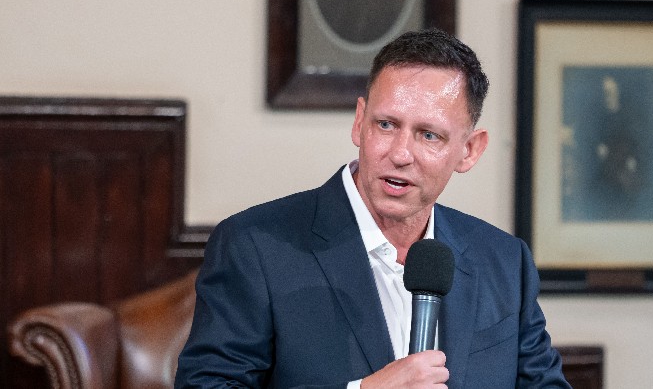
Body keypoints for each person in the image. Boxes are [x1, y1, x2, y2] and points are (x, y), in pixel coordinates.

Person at [175, 28, 569, 388]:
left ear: (469, 151)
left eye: (428, 135)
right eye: (386, 125)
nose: (400, 154)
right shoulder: (254, 246)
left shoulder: (503, 261)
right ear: (359, 122)